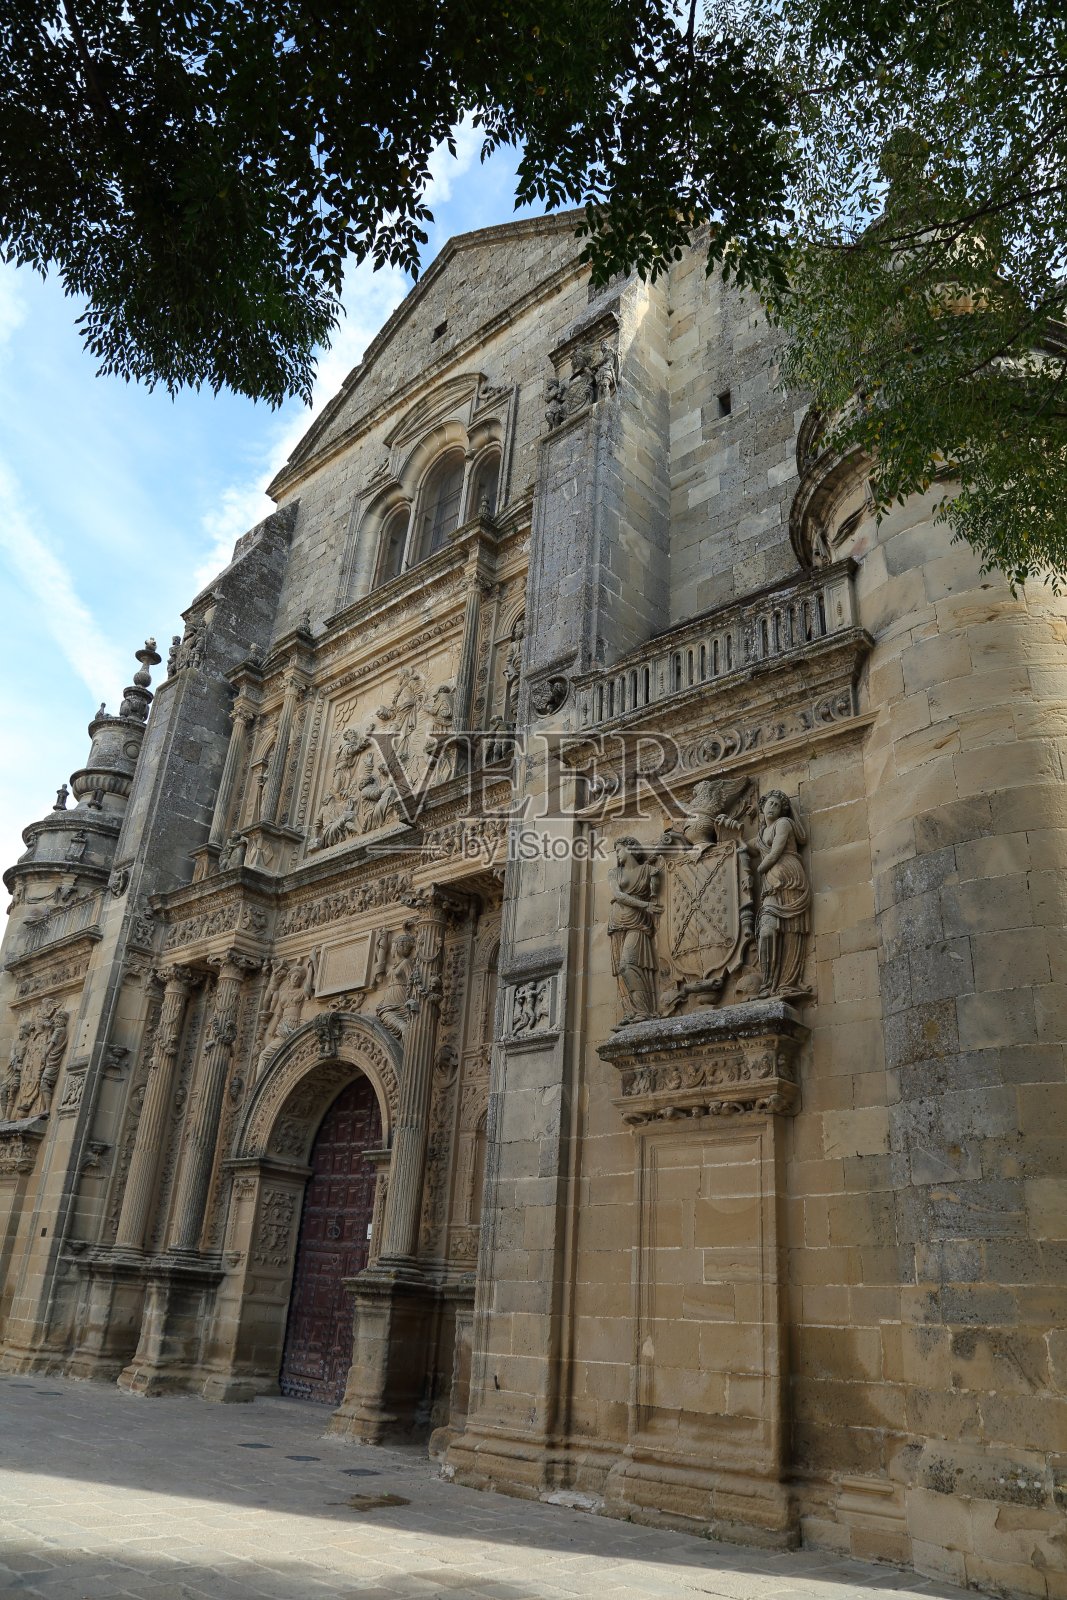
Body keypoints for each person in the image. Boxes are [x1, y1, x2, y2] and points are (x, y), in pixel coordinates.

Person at [754, 791, 811, 997]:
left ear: (783, 810)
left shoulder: (784, 824)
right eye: (769, 803)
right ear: (762, 807)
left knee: (790, 931)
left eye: (777, 805)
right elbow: (748, 848)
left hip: (790, 878)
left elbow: (775, 852)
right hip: (771, 884)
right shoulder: (761, 833)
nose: (772, 808)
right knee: (767, 932)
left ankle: (786, 981)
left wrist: (760, 869)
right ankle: (767, 984)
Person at [608, 837, 661, 1026]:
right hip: (617, 923)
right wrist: (645, 904)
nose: (616, 854)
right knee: (621, 970)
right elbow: (618, 895)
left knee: (628, 964)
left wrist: (655, 878)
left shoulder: (646, 870)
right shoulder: (614, 873)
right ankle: (631, 1010)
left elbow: (657, 891)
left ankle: (644, 1010)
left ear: (630, 849)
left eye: (618, 850)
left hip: (638, 922)